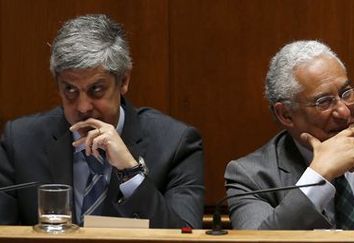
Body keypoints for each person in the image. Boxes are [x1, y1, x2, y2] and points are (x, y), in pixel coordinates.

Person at [0, 14, 204, 228]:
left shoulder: (175, 144)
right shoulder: (21, 141)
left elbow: (185, 235)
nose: (83, 107)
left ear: (123, 81)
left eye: (96, 90)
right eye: (70, 90)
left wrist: (130, 173)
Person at [225, 40, 354, 230]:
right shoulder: (250, 178)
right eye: (323, 102)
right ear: (286, 114)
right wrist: (318, 175)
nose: (344, 111)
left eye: (346, 93)